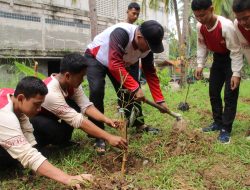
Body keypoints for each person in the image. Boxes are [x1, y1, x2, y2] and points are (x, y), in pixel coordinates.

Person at [84, 20, 169, 152]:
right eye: (149, 46)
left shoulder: (147, 47)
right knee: (97, 90)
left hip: (119, 62)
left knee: (128, 93)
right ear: (140, 37)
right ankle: (98, 134)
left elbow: (150, 73)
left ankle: (138, 124)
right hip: (97, 58)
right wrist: (135, 87)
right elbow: (114, 64)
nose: (149, 49)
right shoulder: (121, 33)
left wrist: (160, 100)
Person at [0, 76, 93, 188]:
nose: (39, 109)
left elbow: (26, 129)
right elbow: (26, 154)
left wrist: (36, 164)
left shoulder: (13, 96)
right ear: (21, 98)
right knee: (11, 154)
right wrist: (68, 178)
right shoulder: (4, 114)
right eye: (36, 104)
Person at [30, 53, 127, 155]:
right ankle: (41, 146)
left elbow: (86, 106)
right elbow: (78, 121)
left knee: (74, 105)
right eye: (81, 76)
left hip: (52, 117)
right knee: (46, 125)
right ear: (68, 76)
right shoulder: (50, 91)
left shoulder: (72, 84)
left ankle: (63, 141)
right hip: (36, 124)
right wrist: (109, 137)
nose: (83, 80)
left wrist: (107, 120)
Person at [191, 0, 243, 143]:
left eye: (203, 15)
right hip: (217, 59)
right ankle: (217, 123)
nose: (200, 19)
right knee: (213, 92)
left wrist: (236, 73)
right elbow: (201, 45)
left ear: (211, 9)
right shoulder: (200, 26)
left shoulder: (226, 26)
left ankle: (226, 128)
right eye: (197, 16)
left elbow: (236, 51)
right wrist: (200, 64)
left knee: (230, 94)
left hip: (231, 59)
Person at [233, 0, 250, 140]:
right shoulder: (237, 25)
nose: (243, 22)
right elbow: (243, 48)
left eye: (247, 17)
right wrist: (237, 72)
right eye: (240, 18)